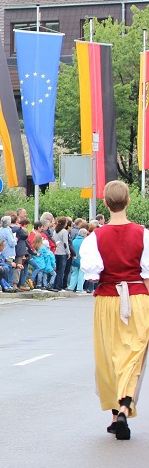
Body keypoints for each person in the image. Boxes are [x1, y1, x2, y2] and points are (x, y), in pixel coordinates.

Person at [79, 180, 149, 440]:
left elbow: (93, 276)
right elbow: (147, 276)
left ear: (106, 204)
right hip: (138, 298)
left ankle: (115, 411)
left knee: (109, 356)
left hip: (108, 299)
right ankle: (123, 406)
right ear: (128, 201)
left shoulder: (94, 238)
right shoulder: (144, 234)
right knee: (132, 355)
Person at [69, 227, 88, 292]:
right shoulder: (85, 241)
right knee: (81, 274)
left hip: (74, 259)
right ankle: (79, 288)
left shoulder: (74, 241)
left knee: (74, 273)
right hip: (82, 260)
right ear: (85, 234)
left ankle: (71, 287)